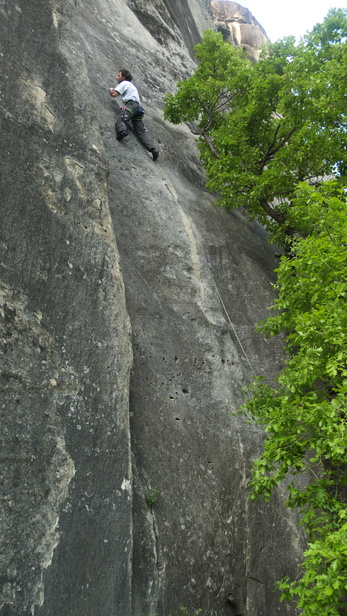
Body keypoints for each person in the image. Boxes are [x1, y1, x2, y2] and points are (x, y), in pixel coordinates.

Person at [109, 69, 159, 161]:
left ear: (124, 77)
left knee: (121, 119)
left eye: (119, 75)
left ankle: (122, 132)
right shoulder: (132, 87)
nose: (117, 77)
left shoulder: (124, 83)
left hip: (131, 106)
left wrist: (110, 89)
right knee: (141, 132)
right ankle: (153, 150)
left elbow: (114, 94)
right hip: (138, 109)